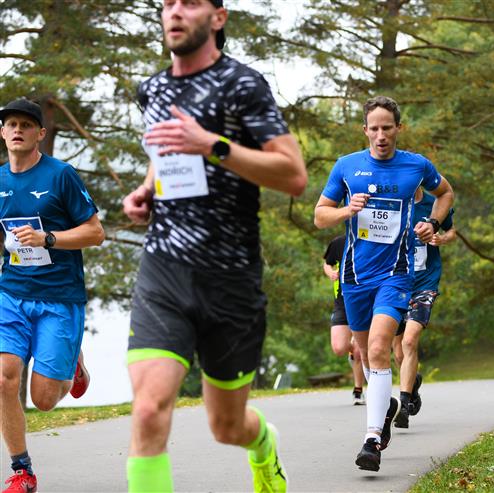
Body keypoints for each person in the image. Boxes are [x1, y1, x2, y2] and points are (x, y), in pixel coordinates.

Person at [121, 1, 307, 492]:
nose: (175, 12)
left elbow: (293, 175)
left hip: (230, 276)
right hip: (164, 266)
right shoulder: (153, 89)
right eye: (168, 3)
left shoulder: (242, 84)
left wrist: (212, 145)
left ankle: (263, 444)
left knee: (227, 426)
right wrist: (147, 190)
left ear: (218, 18)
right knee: (148, 409)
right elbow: (165, 152)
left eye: (189, 3)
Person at [314, 95, 454, 472]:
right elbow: (320, 216)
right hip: (355, 277)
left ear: (398, 129)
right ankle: (384, 405)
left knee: (379, 347)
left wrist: (433, 223)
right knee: (365, 354)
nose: (381, 135)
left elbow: (445, 193)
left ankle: (372, 439)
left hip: (396, 274)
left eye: (387, 128)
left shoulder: (416, 165)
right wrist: (348, 210)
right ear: (365, 130)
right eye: (374, 128)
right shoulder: (347, 166)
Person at [0, 98, 104, 493]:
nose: (18, 130)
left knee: (43, 399)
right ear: (2, 133)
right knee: (3, 379)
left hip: (59, 297)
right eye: (11, 124)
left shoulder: (61, 176)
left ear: (40, 133)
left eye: (26, 125)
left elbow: (95, 233)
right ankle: (22, 470)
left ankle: (72, 363)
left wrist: (48, 238)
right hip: (11, 293)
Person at [391, 186, 455, 428]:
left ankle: (403, 405)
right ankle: (412, 385)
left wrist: (441, 238)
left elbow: (452, 231)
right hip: (396, 284)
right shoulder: (392, 204)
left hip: (424, 284)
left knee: (409, 341)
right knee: (398, 352)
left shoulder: (434, 204)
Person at [323, 235, 365, 405]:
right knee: (339, 348)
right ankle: (352, 349)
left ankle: (358, 390)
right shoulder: (339, 242)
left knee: (359, 351)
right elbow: (327, 263)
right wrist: (331, 273)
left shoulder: (370, 240)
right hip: (342, 302)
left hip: (364, 302)